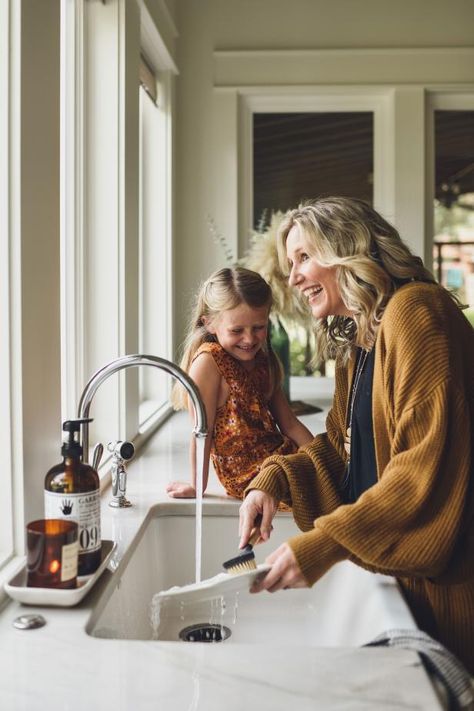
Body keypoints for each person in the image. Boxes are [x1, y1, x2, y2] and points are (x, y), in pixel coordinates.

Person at [238, 197, 474, 673]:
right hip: (409, 580)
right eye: (290, 263)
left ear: (347, 246)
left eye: (304, 257)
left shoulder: (416, 312)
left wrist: (324, 544)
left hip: (452, 589)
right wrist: (274, 479)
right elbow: (339, 454)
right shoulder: (362, 339)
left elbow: (420, 472)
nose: (294, 277)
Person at [166, 266, 313, 501]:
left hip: (279, 464)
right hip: (251, 479)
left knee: (334, 469)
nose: (249, 339)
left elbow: (290, 424)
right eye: (237, 330)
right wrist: (197, 486)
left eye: (259, 328)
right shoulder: (208, 363)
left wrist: (322, 461)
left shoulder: (262, 361)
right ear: (210, 323)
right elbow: (201, 433)